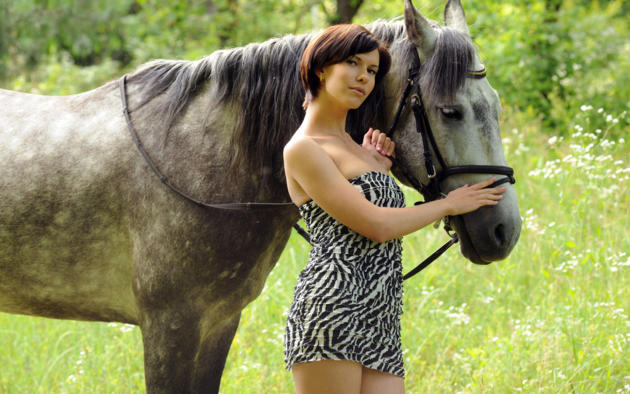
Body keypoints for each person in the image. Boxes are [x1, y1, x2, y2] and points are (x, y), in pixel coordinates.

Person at [283, 24, 505, 394]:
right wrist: (448, 204)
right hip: (331, 307)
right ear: (321, 68)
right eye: (352, 63)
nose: (363, 78)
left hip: (380, 312)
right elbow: (377, 226)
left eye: (371, 71)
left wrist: (378, 167)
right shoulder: (304, 148)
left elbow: (369, 205)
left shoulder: (359, 148)